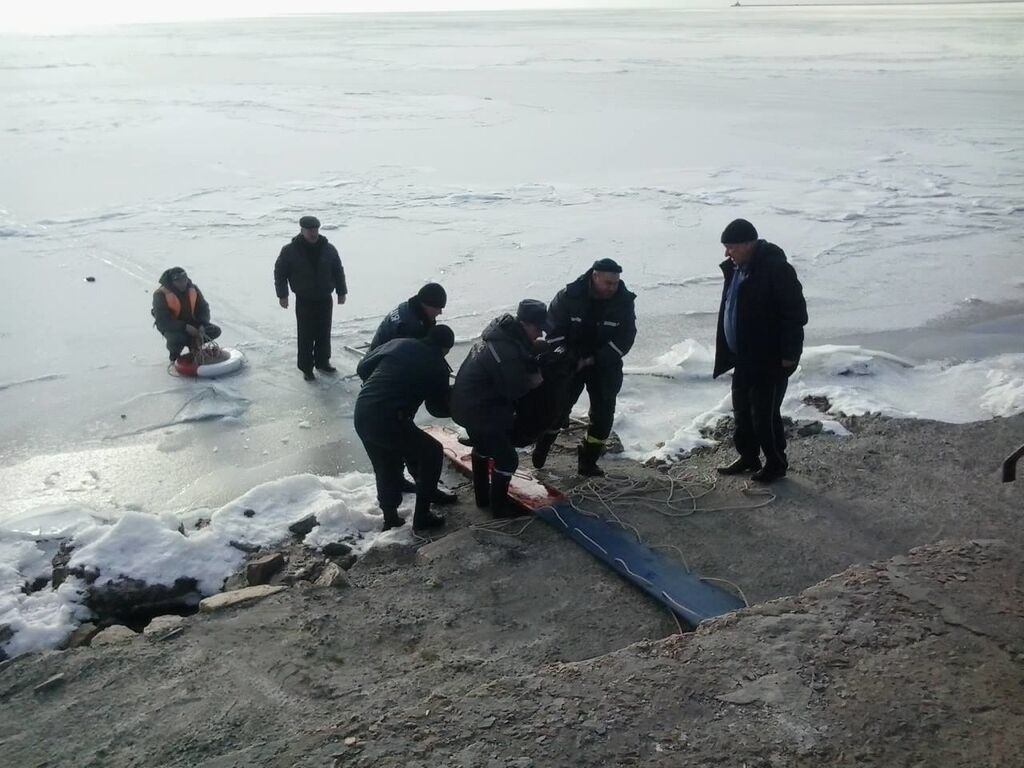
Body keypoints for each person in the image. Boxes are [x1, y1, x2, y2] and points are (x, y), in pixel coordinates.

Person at [713, 218, 808, 484]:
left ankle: (776, 463)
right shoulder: (737, 269)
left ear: (747, 244)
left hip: (770, 357)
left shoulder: (776, 269)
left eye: (730, 246)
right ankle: (749, 457)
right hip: (743, 356)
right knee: (742, 410)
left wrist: (789, 354)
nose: (726, 253)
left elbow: (795, 314)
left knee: (763, 414)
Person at [534, 258, 637, 477]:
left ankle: (588, 461)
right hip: (570, 361)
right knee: (557, 408)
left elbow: (626, 337)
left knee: (603, 415)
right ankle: (542, 445)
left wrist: (597, 359)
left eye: (616, 283)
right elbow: (553, 332)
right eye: (608, 283)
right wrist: (571, 358)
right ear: (595, 276)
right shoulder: (568, 297)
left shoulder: (624, 301)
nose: (612, 288)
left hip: (604, 364)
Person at [354, 325, 457, 532]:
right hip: (389, 419)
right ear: (446, 348)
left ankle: (390, 517)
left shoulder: (399, 343)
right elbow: (436, 408)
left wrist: (381, 386)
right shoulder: (437, 365)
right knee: (432, 452)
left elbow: (362, 367)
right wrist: (457, 404)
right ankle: (422, 516)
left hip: (363, 411)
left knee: (385, 464)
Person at [451, 300, 547, 518]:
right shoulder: (505, 350)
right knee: (508, 460)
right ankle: (499, 508)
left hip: (466, 404)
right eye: (538, 328)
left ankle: (482, 497)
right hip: (479, 410)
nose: (540, 333)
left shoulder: (499, 335)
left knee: (484, 447)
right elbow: (515, 390)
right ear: (524, 324)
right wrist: (535, 380)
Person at [274, 215, 347, 381]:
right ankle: (306, 368)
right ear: (302, 230)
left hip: (324, 298)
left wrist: (341, 292)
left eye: (315, 230)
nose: (313, 233)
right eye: (310, 230)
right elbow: (280, 273)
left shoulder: (329, 249)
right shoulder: (290, 250)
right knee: (306, 335)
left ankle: (323, 362)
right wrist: (282, 295)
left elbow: (338, 270)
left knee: (323, 332)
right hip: (304, 299)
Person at [152, 267, 221, 362]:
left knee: (215, 331)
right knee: (177, 338)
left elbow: (204, 308)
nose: (183, 283)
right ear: (172, 282)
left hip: (193, 323)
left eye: (184, 280)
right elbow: (162, 322)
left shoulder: (193, 288)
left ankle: (194, 347)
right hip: (173, 327)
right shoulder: (160, 295)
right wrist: (185, 327)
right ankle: (174, 357)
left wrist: (201, 324)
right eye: (179, 281)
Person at [369, 282, 447, 351]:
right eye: (437, 308)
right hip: (379, 360)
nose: (440, 312)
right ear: (426, 305)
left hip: (378, 345)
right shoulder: (409, 327)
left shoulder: (407, 306)